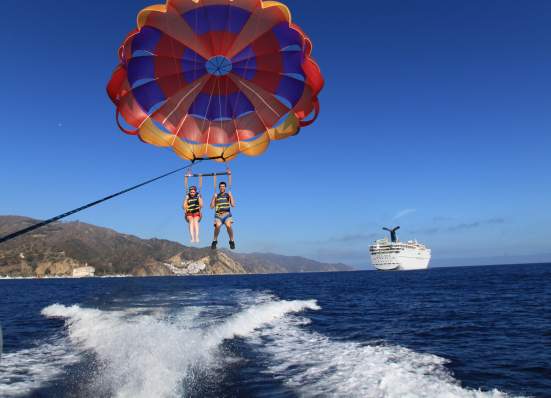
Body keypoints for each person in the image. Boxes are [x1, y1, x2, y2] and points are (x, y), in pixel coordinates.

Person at [210, 181, 235, 249]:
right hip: (218, 215)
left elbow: (233, 205)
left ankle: (231, 241)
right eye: (221, 187)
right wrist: (213, 197)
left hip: (227, 215)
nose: (222, 188)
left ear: (225, 187)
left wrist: (231, 196)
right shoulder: (216, 196)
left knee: (228, 225)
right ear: (219, 188)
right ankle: (215, 241)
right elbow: (211, 207)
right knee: (217, 226)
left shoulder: (228, 195)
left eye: (223, 186)